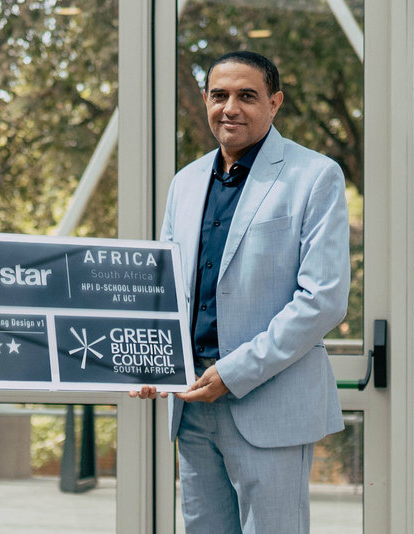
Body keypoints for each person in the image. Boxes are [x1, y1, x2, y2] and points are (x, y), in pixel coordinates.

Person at [132, 51, 350, 533]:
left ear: (274, 103)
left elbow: (323, 299)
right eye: (219, 95)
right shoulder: (185, 183)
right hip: (191, 407)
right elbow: (164, 291)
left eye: (246, 96)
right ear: (206, 101)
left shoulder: (315, 176)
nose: (230, 107)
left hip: (268, 404)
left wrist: (232, 373)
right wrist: (152, 362)